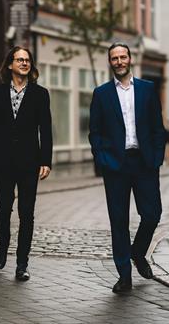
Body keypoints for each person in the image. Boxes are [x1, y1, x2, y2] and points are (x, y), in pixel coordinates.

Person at [89, 42, 166, 293]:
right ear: (110, 62)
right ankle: (124, 276)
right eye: (115, 58)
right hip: (116, 165)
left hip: (144, 162)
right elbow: (95, 133)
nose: (119, 61)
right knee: (119, 221)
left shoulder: (147, 89)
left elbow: (157, 127)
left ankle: (138, 252)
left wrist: (156, 158)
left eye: (123, 57)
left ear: (130, 59)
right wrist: (103, 160)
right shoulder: (101, 94)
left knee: (152, 213)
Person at [0, 46, 52, 281]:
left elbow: (46, 129)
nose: (24, 63)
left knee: (27, 213)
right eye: (19, 59)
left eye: (27, 60)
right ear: (10, 65)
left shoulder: (40, 94)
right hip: (2, 161)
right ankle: (3, 245)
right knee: (3, 208)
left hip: (29, 162)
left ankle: (22, 263)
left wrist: (46, 160)